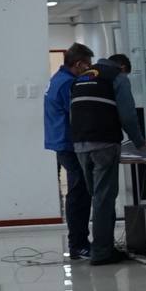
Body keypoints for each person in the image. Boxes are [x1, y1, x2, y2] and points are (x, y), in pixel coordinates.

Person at [70, 53, 146, 266]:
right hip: (104, 143)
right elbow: (128, 115)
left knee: (97, 196)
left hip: (80, 144)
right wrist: (140, 142)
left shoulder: (82, 77)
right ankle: (102, 252)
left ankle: (104, 246)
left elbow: (73, 111)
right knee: (103, 199)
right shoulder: (117, 77)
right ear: (122, 67)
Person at [44, 43, 94, 260]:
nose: (90, 68)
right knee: (79, 192)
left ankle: (80, 243)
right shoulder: (67, 83)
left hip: (61, 141)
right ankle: (78, 244)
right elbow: (76, 112)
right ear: (79, 64)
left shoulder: (58, 78)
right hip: (69, 143)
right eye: (88, 65)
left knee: (78, 190)